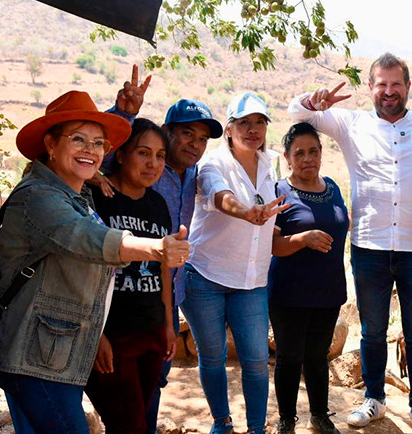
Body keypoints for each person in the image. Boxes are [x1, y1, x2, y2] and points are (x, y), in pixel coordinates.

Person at [0, 90, 190, 433]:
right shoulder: (39, 197)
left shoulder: (76, 194)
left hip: (55, 353)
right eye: (78, 139)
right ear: (50, 145)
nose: (90, 150)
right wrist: (155, 248)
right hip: (33, 359)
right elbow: (91, 239)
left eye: (98, 144)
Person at [288, 52, 412, 434]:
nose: (389, 91)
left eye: (396, 84)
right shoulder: (351, 124)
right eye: (381, 84)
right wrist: (315, 102)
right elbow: (294, 113)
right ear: (370, 87)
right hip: (369, 247)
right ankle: (374, 400)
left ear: (408, 87)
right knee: (372, 330)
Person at [102, 90, 223, 433]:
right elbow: (99, 156)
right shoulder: (132, 170)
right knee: (122, 404)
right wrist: (123, 113)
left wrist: (171, 321)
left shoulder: (192, 172)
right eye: (187, 134)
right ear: (168, 131)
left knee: (154, 384)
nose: (195, 144)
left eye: (202, 139)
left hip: (164, 297)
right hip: (115, 306)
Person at [181, 92, 289, 434]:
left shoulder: (271, 163)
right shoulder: (213, 164)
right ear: (229, 129)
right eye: (244, 123)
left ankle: (256, 429)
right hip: (206, 275)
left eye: (259, 122)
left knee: (256, 361)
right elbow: (219, 197)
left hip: (252, 279)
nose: (253, 129)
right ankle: (221, 423)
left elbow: (273, 208)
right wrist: (247, 212)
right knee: (212, 357)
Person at [84, 118, 176, 433]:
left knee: (132, 423)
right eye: (143, 153)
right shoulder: (97, 199)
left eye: (161, 155)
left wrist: (167, 324)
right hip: (113, 335)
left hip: (151, 332)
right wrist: (97, 336)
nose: (153, 163)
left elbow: (164, 266)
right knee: (130, 426)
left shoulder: (158, 204)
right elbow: (83, 271)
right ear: (121, 155)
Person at [268, 123, 349, 434]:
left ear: (321, 154)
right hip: (289, 291)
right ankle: (287, 420)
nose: (307, 159)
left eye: (313, 151)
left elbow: (341, 222)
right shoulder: (279, 191)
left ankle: (320, 416)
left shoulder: (333, 187)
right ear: (288, 157)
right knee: (289, 357)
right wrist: (302, 238)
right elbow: (270, 246)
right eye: (299, 153)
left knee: (318, 356)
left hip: (328, 289)